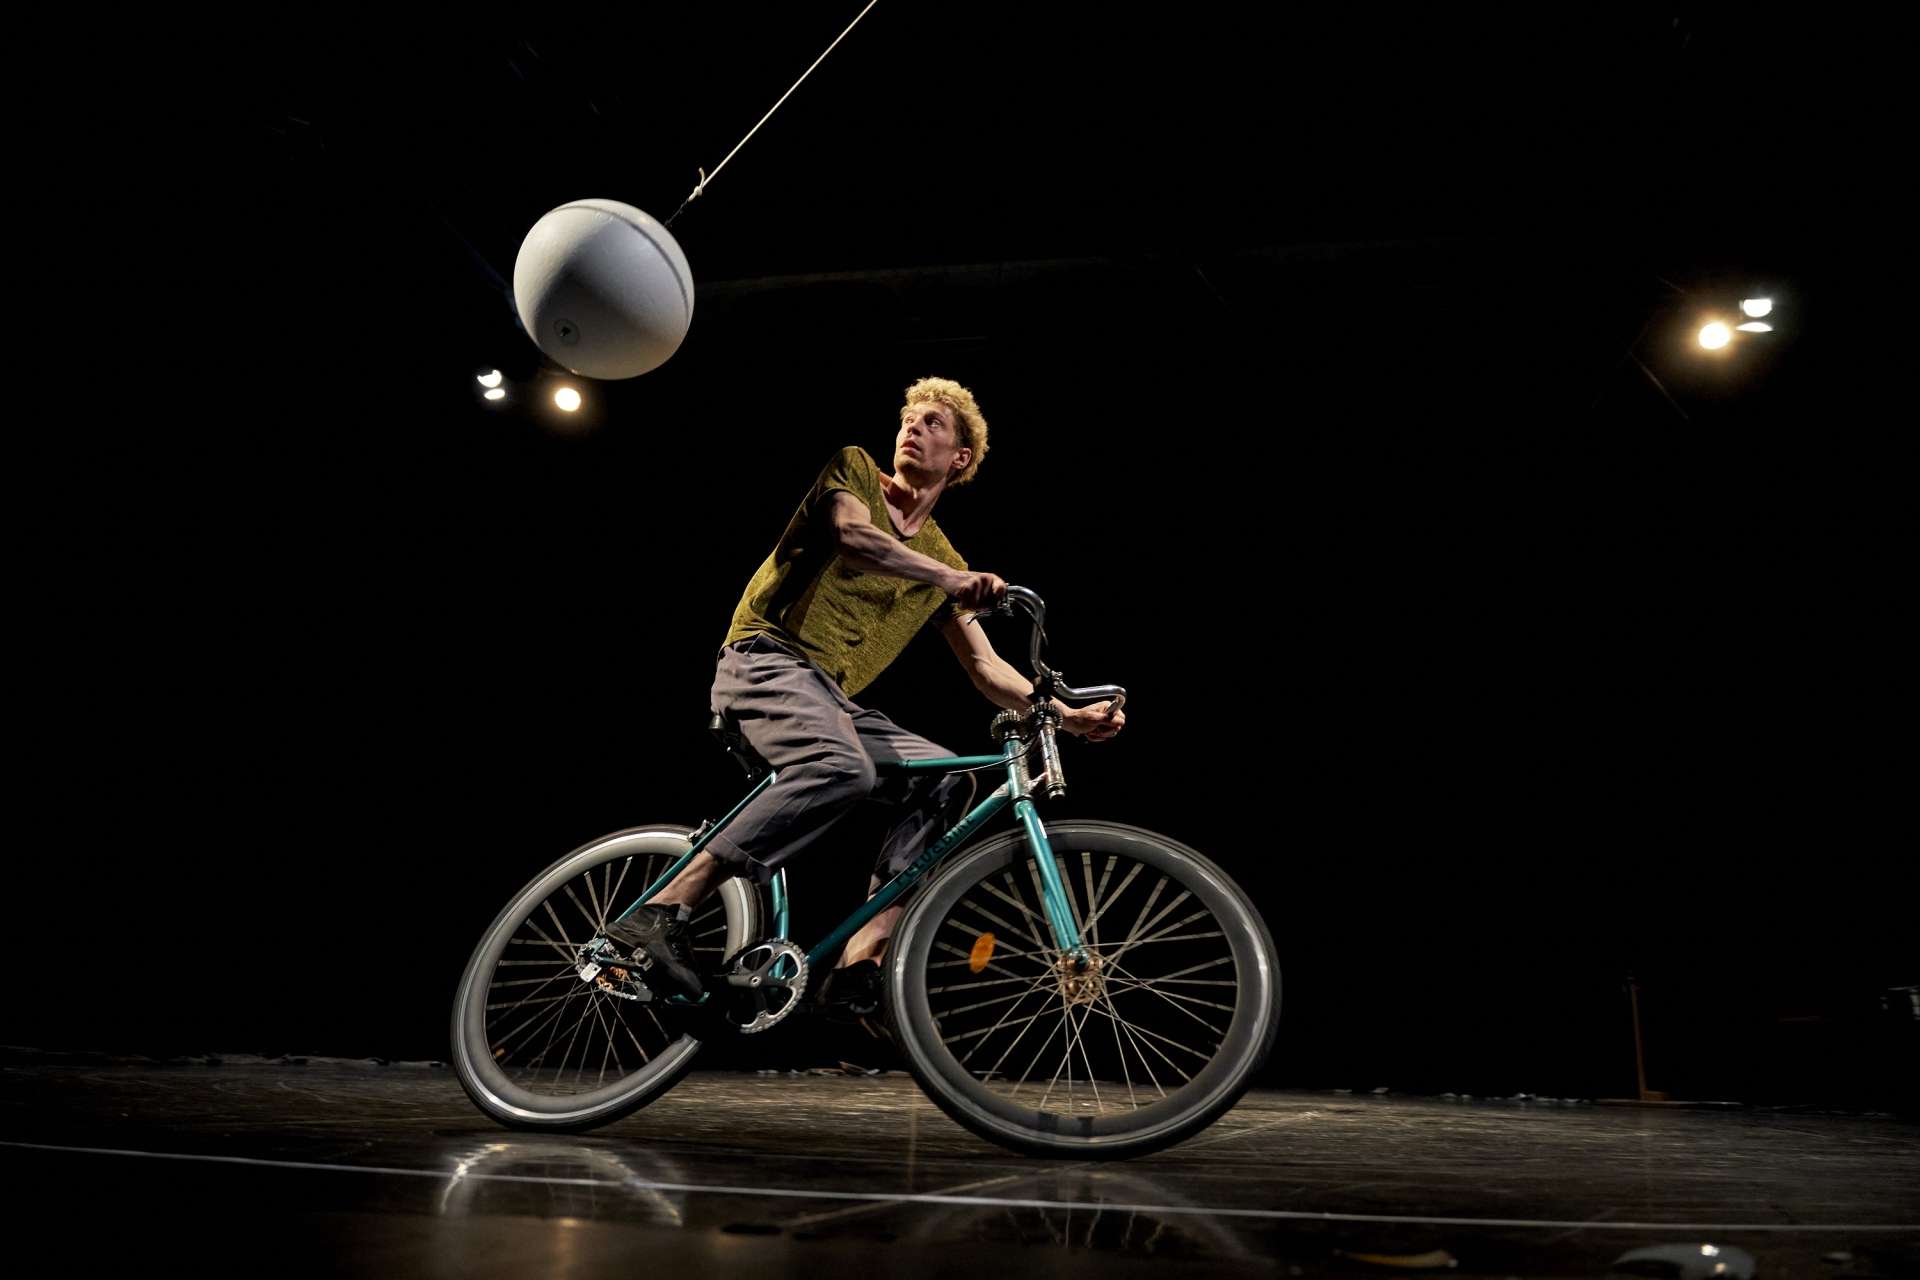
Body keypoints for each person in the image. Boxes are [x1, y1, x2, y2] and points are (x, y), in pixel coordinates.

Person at [606, 377, 1125, 1006]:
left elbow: (986, 667)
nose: (912, 427)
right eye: (909, 417)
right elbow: (853, 537)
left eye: (933, 422)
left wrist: (1065, 716)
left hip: (829, 696)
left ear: (960, 457)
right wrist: (949, 578)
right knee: (840, 766)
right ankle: (662, 908)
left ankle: (861, 961)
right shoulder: (855, 473)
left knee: (947, 778)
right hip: (764, 659)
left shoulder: (940, 553)